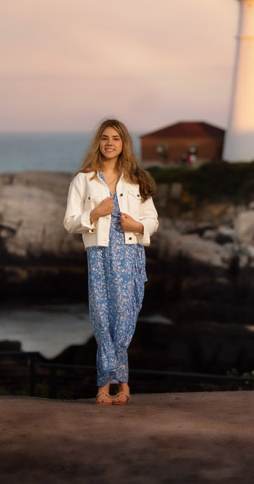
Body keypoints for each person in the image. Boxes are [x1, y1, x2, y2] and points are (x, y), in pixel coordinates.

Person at [63, 119, 158, 405]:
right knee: (102, 319)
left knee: (125, 319)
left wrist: (139, 227)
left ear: (123, 143)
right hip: (99, 255)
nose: (109, 143)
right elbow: (69, 222)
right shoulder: (84, 180)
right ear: (98, 142)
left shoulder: (137, 179)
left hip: (129, 255)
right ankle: (105, 386)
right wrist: (94, 213)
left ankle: (123, 386)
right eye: (105, 138)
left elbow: (152, 219)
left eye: (115, 138)